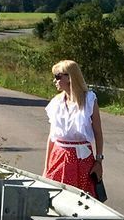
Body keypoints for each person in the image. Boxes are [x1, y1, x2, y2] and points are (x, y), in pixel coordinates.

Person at [43, 59, 104, 196]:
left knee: (82, 199)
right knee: (57, 196)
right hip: (59, 157)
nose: (55, 81)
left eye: (58, 77)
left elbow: (98, 133)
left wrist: (99, 161)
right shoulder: (56, 103)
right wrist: (46, 167)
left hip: (83, 159)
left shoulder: (89, 100)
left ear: (70, 77)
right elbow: (52, 137)